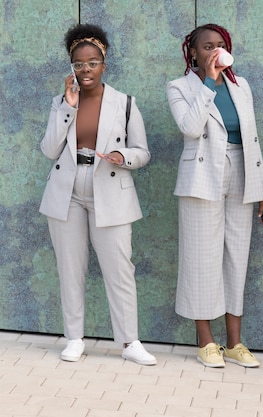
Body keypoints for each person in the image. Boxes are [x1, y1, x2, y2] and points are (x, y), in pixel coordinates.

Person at [39, 23, 156, 365]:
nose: (85, 69)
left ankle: (129, 342)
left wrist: (125, 157)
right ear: (71, 66)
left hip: (111, 188)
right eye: (78, 63)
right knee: (70, 269)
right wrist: (68, 107)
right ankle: (74, 338)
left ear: (104, 63)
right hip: (67, 192)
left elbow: (143, 151)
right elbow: (49, 150)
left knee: (119, 269)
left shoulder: (125, 103)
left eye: (92, 62)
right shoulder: (62, 101)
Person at [166, 23, 263, 369]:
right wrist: (209, 82)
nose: (214, 50)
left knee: (235, 256)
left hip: (242, 170)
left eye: (220, 45)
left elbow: (252, 140)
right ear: (193, 53)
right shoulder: (179, 87)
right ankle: (206, 342)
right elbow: (191, 127)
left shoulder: (242, 86)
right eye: (207, 46)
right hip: (201, 175)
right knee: (202, 257)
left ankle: (235, 342)